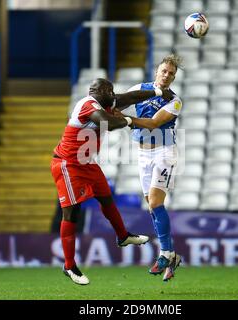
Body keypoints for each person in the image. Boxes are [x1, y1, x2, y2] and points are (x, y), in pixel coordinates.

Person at [50, 78, 174, 285]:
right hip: (68, 164)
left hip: (87, 162)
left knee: (107, 199)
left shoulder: (103, 102)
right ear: (100, 91)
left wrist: (159, 93)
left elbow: (132, 97)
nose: (114, 94)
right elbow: (111, 123)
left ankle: (123, 236)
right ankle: (69, 265)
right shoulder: (88, 106)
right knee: (72, 212)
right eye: (110, 90)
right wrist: (129, 120)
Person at [114, 54, 183, 282]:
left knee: (155, 202)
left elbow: (154, 123)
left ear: (174, 77)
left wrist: (125, 119)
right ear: (156, 71)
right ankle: (172, 255)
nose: (167, 76)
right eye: (164, 71)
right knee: (152, 207)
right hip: (143, 153)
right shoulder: (140, 89)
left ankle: (164, 254)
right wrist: (111, 109)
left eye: (171, 74)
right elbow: (120, 103)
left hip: (165, 152)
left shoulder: (175, 101)